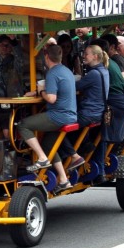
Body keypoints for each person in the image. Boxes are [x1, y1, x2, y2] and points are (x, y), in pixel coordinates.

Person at [18, 44, 77, 193]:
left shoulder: (52, 73)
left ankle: (42, 158)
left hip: (59, 116)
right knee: (48, 144)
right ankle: (64, 180)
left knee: (23, 124)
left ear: (46, 57)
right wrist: (38, 93)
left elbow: (51, 98)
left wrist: (42, 91)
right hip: (71, 114)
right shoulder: (67, 71)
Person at [57, 45, 109, 173]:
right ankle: (84, 146)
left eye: (86, 54)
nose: (83, 56)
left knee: (56, 127)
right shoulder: (104, 70)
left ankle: (72, 157)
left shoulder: (93, 74)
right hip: (97, 113)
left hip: (89, 114)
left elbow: (74, 87)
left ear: (95, 56)